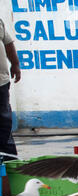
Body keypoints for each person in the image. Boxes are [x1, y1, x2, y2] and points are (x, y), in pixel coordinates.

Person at [0, 18, 21, 161]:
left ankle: (9, 160)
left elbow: (8, 43)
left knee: (4, 125)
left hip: (0, 83)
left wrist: (15, 64)